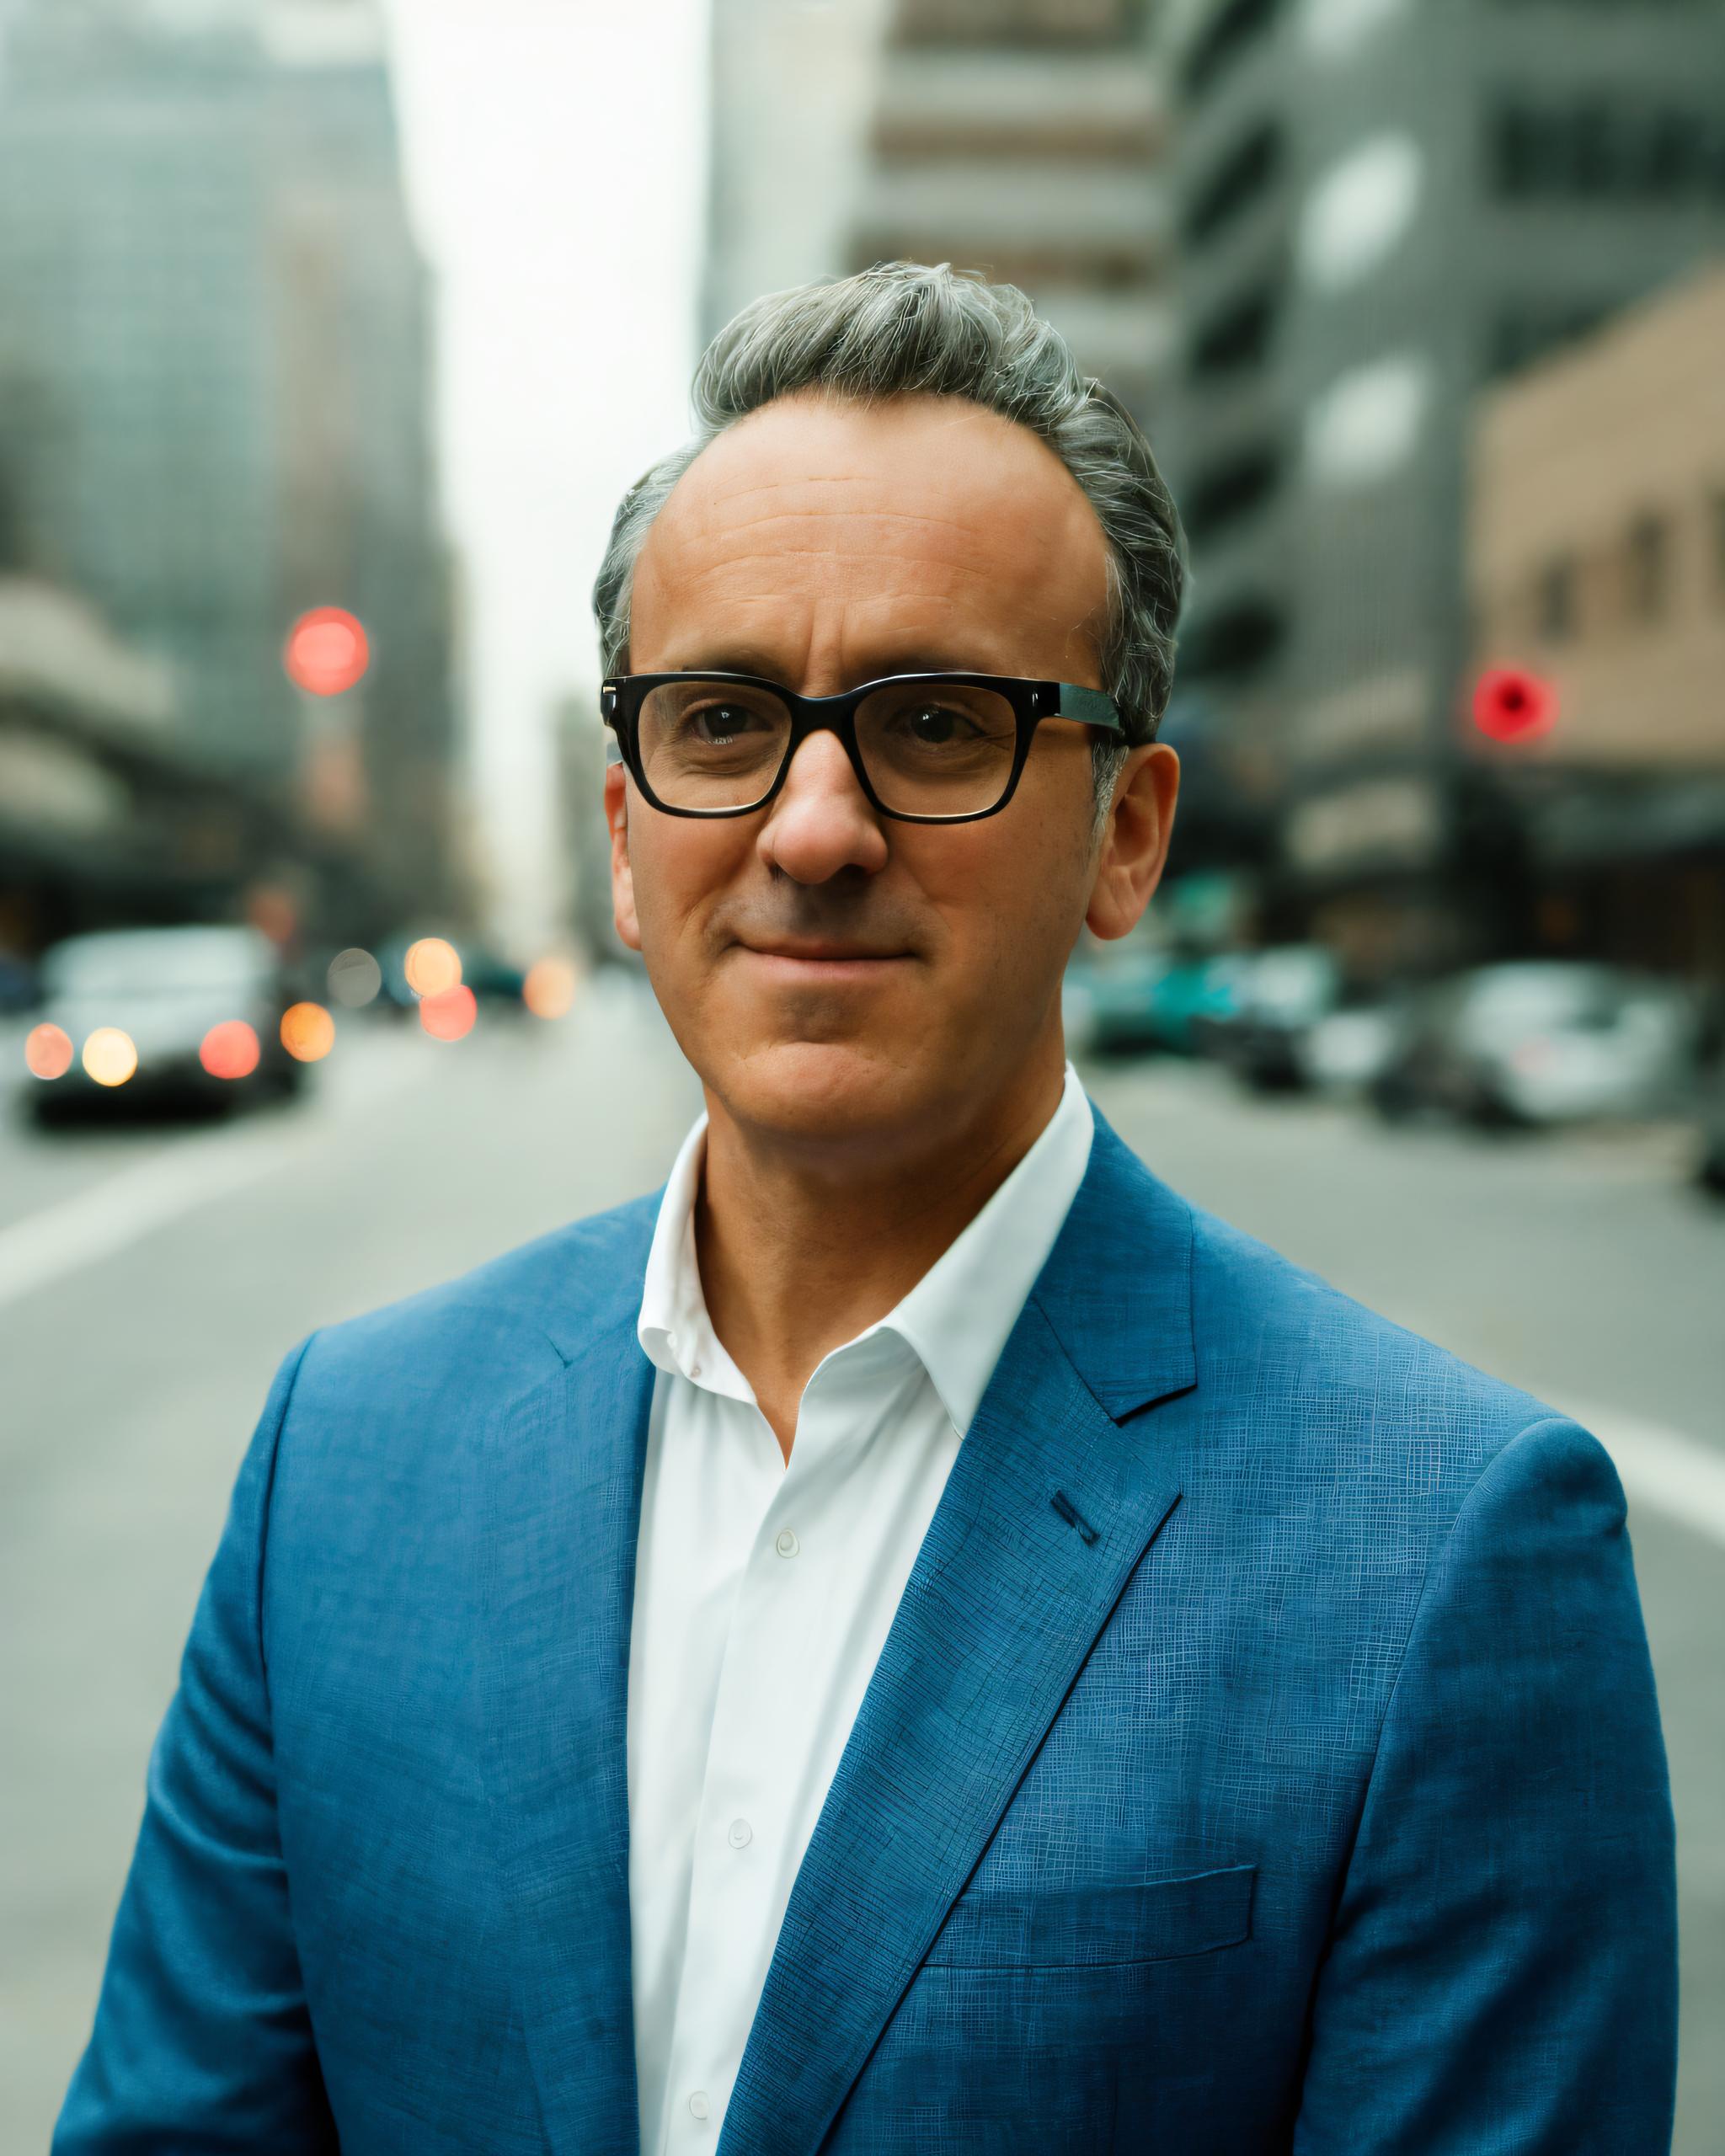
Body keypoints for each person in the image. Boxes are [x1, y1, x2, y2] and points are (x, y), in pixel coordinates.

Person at [56, 264, 1675, 2156]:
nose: (810, 828)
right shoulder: (343, 1464)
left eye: (933, 724)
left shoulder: (1448, 1551)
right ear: (622, 834)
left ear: (1126, 831)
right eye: (724, 719)